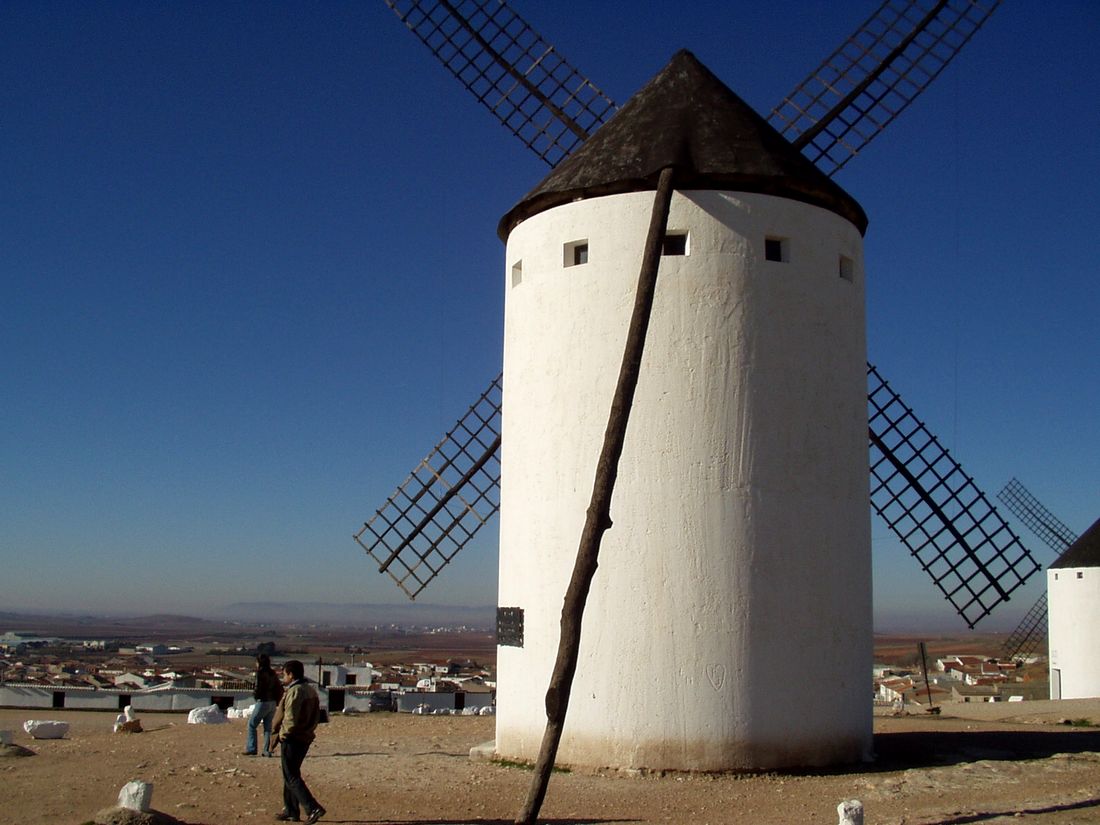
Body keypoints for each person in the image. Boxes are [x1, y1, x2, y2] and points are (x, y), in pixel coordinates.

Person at [270, 659, 325, 823]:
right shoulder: (310, 690)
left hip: (293, 738)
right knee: (290, 775)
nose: (283, 677)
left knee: (291, 775)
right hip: (305, 736)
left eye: (284, 674)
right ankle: (291, 810)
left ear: (291, 674)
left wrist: (282, 735)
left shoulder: (295, 691)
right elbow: (317, 716)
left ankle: (313, 807)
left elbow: (290, 718)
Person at [244, 653, 283, 756]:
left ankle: (251, 748)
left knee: (252, 724)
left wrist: (256, 696)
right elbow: (279, 687)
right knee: (268, 728)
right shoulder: (273, 673)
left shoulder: (260, 673)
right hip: (272, 703)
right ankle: (267, 750)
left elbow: (258, 688)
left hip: (263, 701)